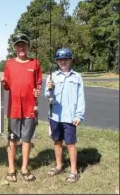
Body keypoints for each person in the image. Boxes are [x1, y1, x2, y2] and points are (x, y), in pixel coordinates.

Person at [1, 33, 42, 182]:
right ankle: (11, 167)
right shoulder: (9, 64)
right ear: (14, 48)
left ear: (28, 46)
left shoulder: (35, 63)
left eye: (24, 44)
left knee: (26, 139)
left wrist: (38, 90)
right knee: (12, 139)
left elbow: (38, 83)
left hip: (30, 108)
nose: (21, 47)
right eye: (18, 45)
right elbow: (6, 86)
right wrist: (3, 83)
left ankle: (24, 167)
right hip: (14, 109)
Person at [44, 48, 85, 183]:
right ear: (56, 62)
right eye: (60, 59)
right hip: (55, 116)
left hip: (70, 116)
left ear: (70, 60)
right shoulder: (52, 76)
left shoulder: (77, 77)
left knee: (71, 143)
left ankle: (74, 172)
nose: (63, 62)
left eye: (66, 59)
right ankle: (59, 165)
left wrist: (78, 115)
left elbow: (80, 97)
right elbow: (47, 96)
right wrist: (49, 89)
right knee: (57, 142)